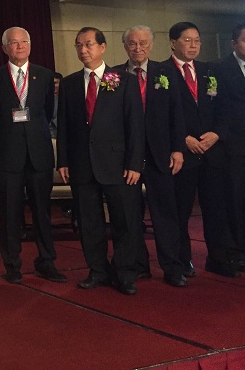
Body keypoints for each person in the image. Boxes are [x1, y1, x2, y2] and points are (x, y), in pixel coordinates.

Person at [57, 27, 144, 295]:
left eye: (89, 44)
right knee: (89, 222)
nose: (83, 50)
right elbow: (64, 126)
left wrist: (134, 163)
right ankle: (97, 271)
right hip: (82, 164)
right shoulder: (70, 84)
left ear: (102, 47)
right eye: (79, 45)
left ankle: (124, 273)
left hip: (118, 165)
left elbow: (135, 125)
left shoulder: (124, 80)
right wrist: (63, 160)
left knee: (124, 221)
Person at [0, 27, 66, 284]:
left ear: (30, 45)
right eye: (13, 42)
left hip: (39, 153)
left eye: (24, 42)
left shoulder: (45, 75)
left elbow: (47, 111)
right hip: (8, 154)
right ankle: (12, 264)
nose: (19, 46)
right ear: (4, 48)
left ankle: (46, 261)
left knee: (42, 211)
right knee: (10, 212)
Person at [163, 22, 240, 277]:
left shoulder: (210, 70)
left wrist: (217, 134)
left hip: (212, 151)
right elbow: (159, 114)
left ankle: (219, 258)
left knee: (217, 208)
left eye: (197, 40)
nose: (193, 45)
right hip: (182, 153)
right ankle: (182, 261)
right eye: (187, 40)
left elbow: (226, 107)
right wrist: (182, 139)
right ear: (173, 42)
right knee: (181, 210)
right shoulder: (161, 72)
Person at [113, 26, 187, 287]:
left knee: (165, 214)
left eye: (143, 43)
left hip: (160, 154)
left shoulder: (166, 72)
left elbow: (177, 113)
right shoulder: (113, 75)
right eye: (132, 43)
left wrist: (178, 148)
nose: (138, 48)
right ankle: (137, 265)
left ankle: (172, 267)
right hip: (126, 158)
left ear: (152, 45)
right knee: (130, 215)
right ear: (125, 46)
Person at [216, 22, 245, 266]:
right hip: (235, 146)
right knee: (236, 200)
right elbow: (219, 110)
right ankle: (238, 251)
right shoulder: (220, 69)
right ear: (233, 43)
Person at [49, 73, 62, 139]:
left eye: (55, 83)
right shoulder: (47, 99)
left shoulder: (68, 97)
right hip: (53, 136)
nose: (53, 86)